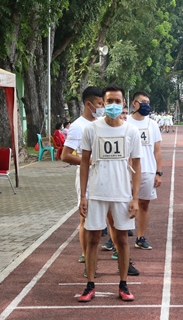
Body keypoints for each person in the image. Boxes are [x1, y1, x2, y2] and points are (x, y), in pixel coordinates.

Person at [78, 84, 142, 302]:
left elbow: (137, 165)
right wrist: (83, 195)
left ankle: (123, 284)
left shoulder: (131, 131)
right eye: (110, 101)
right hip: (96, 192)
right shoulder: (91, 129)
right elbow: (84, 163)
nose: (114, 105)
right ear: (103, 103)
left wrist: (135, 198)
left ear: (124, 103)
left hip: (122, 193)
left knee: (121, 239)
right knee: (93, 238)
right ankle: (90, 284)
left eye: (118, 101)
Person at [61, 86, 105, 265]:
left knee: (108, 217)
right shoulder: (78, 127)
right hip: (87, 175)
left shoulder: (101, 123)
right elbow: (65, 155)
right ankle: (86, 256)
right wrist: (89, 161)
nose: (103, 107)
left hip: (105, 175)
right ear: (89, 104)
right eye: (100, 103)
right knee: (85, 217)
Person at [129, 91, 163, 251]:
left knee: (144, 204)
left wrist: (159, 172)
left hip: (148, 170)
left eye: (148, 102)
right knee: (123, 204)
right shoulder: (125, 122)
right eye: (143, 102)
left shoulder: (152, 124)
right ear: (134, 103)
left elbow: (157, 150)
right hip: (127, 171)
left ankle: (140, 237)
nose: (146, 105)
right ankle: (116, 238)